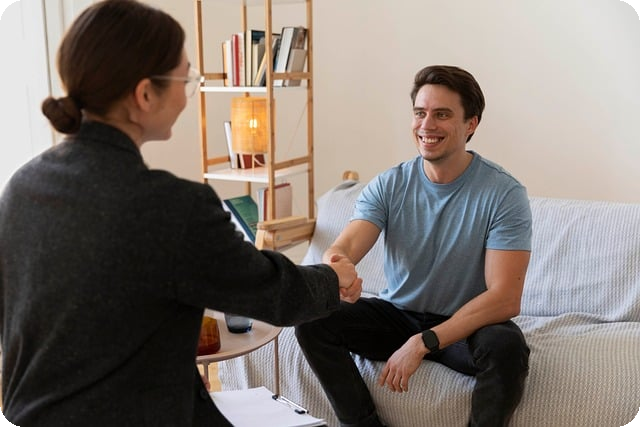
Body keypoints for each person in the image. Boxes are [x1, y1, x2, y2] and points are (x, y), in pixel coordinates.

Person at [0, 1, 362, 426]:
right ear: (145, 94)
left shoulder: (21, 186)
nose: (188, 94)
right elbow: (273, 292)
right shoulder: (171, 206)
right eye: (185, 78)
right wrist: (333, 278)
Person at [295, 65, 532, 427]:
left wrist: (423, 342)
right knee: (313, 319)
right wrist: (337, 267)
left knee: (507, 346)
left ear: (471, 124)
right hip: (397, 315)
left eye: (442, 115)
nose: (427, 125)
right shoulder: (390, 184)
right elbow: (345, 246)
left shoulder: (504, 194)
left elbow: (504, 299)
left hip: (463, 326)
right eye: (420, 113)